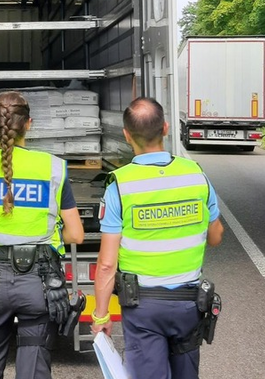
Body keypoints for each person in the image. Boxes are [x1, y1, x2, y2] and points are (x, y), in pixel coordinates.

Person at [91, 97, 224, 379]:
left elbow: (106, 264)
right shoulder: (195, 175)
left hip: (143, 310)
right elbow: (216, 236)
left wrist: (101, 315)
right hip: (189, 305)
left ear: (126, 135)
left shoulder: (120, 185)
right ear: (165, 128)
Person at [0, 91, 85, 379]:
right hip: (39, 281)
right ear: (29, 124)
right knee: (34, 365)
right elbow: (76, 234)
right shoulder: (53, 168)